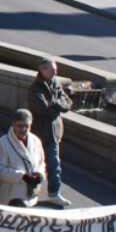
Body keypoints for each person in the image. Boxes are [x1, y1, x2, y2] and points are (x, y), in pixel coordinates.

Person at [27, 58, 73, 207]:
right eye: (52, 70)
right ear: (43, 70)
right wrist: (56, 106)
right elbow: (43, 110)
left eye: (55, 70)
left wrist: (55, 103)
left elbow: (68, 103)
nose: (55, 72)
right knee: (35, 165)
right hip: (39, 133)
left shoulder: (56, 84)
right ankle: (30, 193)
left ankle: (54, 193)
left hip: (54, 133)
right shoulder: (35, 89)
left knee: (54, 165)